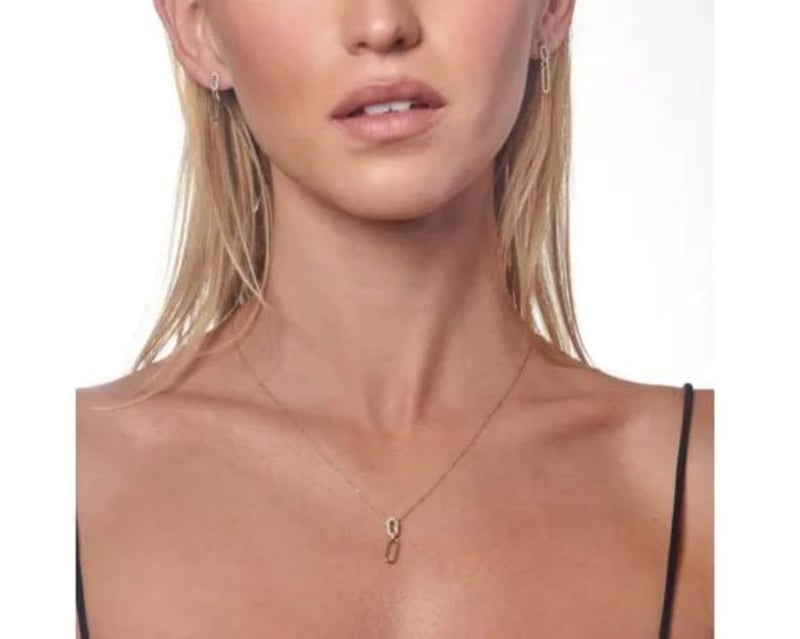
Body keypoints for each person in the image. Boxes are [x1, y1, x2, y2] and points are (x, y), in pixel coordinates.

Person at [76, 0, 713, 637]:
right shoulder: (65, 486)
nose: (382, 25)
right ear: (198, 29)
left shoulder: (719, 488)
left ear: (549, 9)